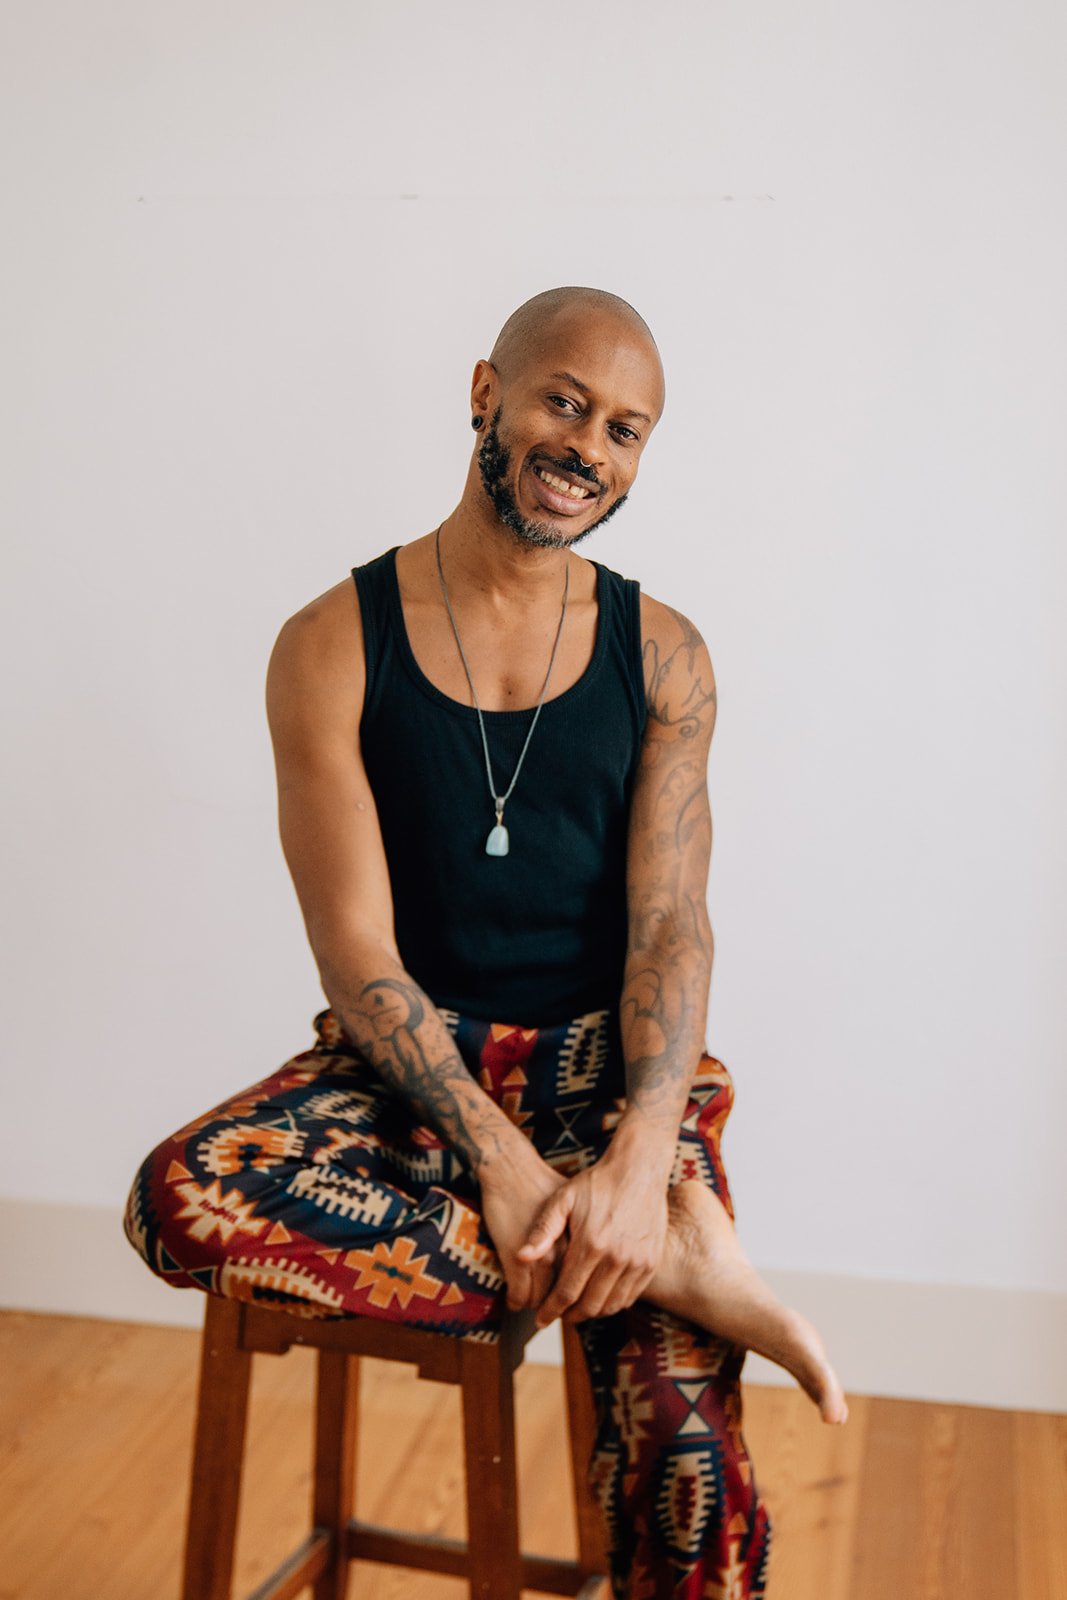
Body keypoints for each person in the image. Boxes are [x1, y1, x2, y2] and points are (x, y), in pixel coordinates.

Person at [124, 285, 847, 1598]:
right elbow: (356, 951)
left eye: (625, 429)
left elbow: (671, 928)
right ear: (485, 393)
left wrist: (642, 1151)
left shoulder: (666, 655)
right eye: (565, 402)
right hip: (407, 1069)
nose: (588, 448)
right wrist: (502, 1166)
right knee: (184, 1192)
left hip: (607, 1071)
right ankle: (661, 1259)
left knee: (683, 1461)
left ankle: (641, 1233)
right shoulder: (329, 643)